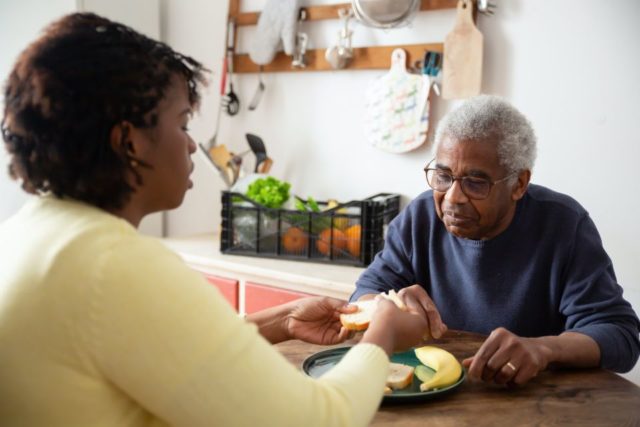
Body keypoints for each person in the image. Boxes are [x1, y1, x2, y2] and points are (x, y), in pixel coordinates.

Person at [0, 13, 431, 426]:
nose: (191, 145)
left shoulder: (28, 233)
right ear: (129, 142)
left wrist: (280, 321)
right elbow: (317, 418)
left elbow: (162, 351)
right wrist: (383, 335)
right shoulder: (112, 265)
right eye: (183, 122)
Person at [352, 95, 640, 386]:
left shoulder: (564, 225)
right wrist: (385, 306)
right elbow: (364, 293)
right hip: (435, 393)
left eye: (476, 183)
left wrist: (544, 348)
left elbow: (620, 335)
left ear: (519, 184)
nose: (453, 198)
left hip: (535, 401)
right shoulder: (420, 218)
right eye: (443, 176)